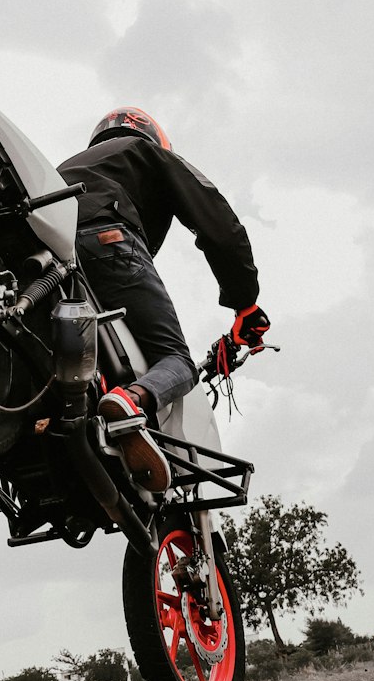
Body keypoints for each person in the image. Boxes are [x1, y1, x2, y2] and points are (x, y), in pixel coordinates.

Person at [57, 107, 269, 493]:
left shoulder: (62, 170)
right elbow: (217, 223)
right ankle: (134, 400)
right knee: (176, 361)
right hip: (107, 238)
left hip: (48, 259)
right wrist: (245, 303)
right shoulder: (145, 152)